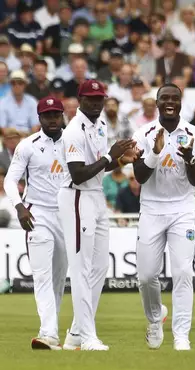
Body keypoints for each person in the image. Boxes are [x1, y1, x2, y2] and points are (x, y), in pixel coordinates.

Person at [57, 80, 139, 351]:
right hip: (77, 197)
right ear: (80, 100)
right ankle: (89, 338)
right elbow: (78, 174)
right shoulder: (73, 131)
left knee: (100, 267)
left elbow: (97, 168)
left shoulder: (100, 125)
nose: (95, 103)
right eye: (90, 98)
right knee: (81, 269)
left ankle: (76, 334)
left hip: (95, 196)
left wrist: (120, 161)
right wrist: (109, 157)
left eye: (99, 98)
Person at [132, 83, 195, 351]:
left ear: (180, 101)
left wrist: (188, 158)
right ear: (157, 102)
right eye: (164, 98)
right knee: (146, 276)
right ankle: (155, 319)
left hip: (182, 210)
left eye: (174, 98)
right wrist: (154, 152)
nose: (170, 102)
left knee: (183, 272)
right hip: (151, 208)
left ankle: (181, 336)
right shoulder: (143, 134)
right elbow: (140, 177)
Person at [3, 96, 69, 350]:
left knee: (59, 277)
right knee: (42, 276)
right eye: (47, 115)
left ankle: (53, 330)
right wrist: (19, 206)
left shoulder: (74, 143)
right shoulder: (27, 145)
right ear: (39, 118)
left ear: (62, 116)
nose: (52, 119)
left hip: (66, 214)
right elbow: (10, 181)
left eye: (56, 115)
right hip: (37, 214)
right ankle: (48, 333)